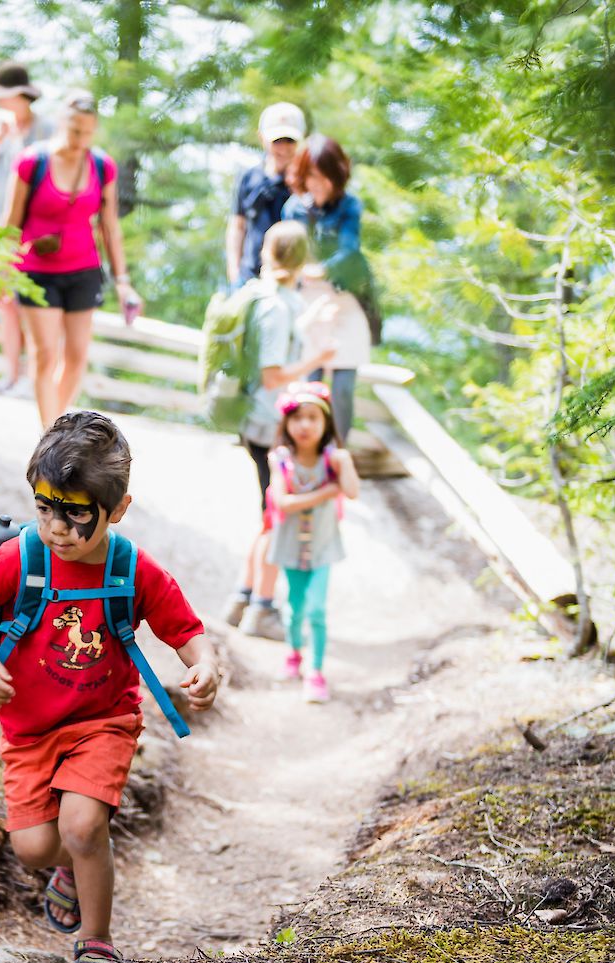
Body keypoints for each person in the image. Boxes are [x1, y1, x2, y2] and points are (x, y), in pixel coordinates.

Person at [0, 412, 220, 963]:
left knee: (82, 825)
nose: (56, 529)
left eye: (75, 515)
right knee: (34, 849)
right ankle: (71, 867)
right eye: (45, 509)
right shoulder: (23, 558)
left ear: (116, 510)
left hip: (105, 720)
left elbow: (185, 630)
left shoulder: (133, 568)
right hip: (28, 730)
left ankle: (96, 943)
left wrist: (206, 665)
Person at [221, 221, 341, 640]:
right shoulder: (274, 305)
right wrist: (318, 357)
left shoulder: (259, 293)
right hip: (269, 424)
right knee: (278, 518)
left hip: (261, 419)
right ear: (301, 258)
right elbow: (273, 376)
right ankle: (262, 609)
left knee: (268, 516)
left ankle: (243, 599)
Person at [2, 90, 139, 428]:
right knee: (45, 353)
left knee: (77, 357)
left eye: (88, 132)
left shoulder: (101, 165)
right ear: (62, 123)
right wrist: (0, 269)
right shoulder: (33, 162)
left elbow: (110, 226)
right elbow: (10, 222)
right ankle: (48, 434)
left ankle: (54, 432)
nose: (81, 139)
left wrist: (123, 282)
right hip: (36, 271)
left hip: (84, 269)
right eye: (76, 130)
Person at [266, 381, 360, 703]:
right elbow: (283, 502)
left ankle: (316, 672)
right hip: (291, 547)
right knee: (294, 610)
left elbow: (352, 491)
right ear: (287, 424)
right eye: (297, 418)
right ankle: (293, 654)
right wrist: (326, 491)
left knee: (317, 610)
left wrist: (344, 464)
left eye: (313, 418)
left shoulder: (334, 459)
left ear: (326, 423)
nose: (304, 425)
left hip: (321, 549)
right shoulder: (280, 459)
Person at [0, 61, 53, 395]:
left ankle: (34, 378)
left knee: (32, 302)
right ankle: (11, 375)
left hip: (33, 229)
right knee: (3, 300)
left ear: (21, 95)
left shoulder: (45, 129)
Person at [283, 134, 370, 442]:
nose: (317, 184)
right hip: (308, 305)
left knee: (343, 389)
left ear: (336, 175)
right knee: (308, 387)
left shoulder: (349, 206)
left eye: (323, 177)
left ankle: (340, 452)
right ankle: (308, 454)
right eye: (311, 176)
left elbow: (350, 250)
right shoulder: (294, 208)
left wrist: (320, 270)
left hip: (345, 301)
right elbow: (290, 251)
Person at [224, 102, 306, 292]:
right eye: (277, 141)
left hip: (293, 282)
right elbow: (237, 226)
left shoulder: (307, 181)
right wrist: (234, 271)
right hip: (249, 277)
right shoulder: (249, 178)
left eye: (289, 140)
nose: (283, 148)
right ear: (262, 139)